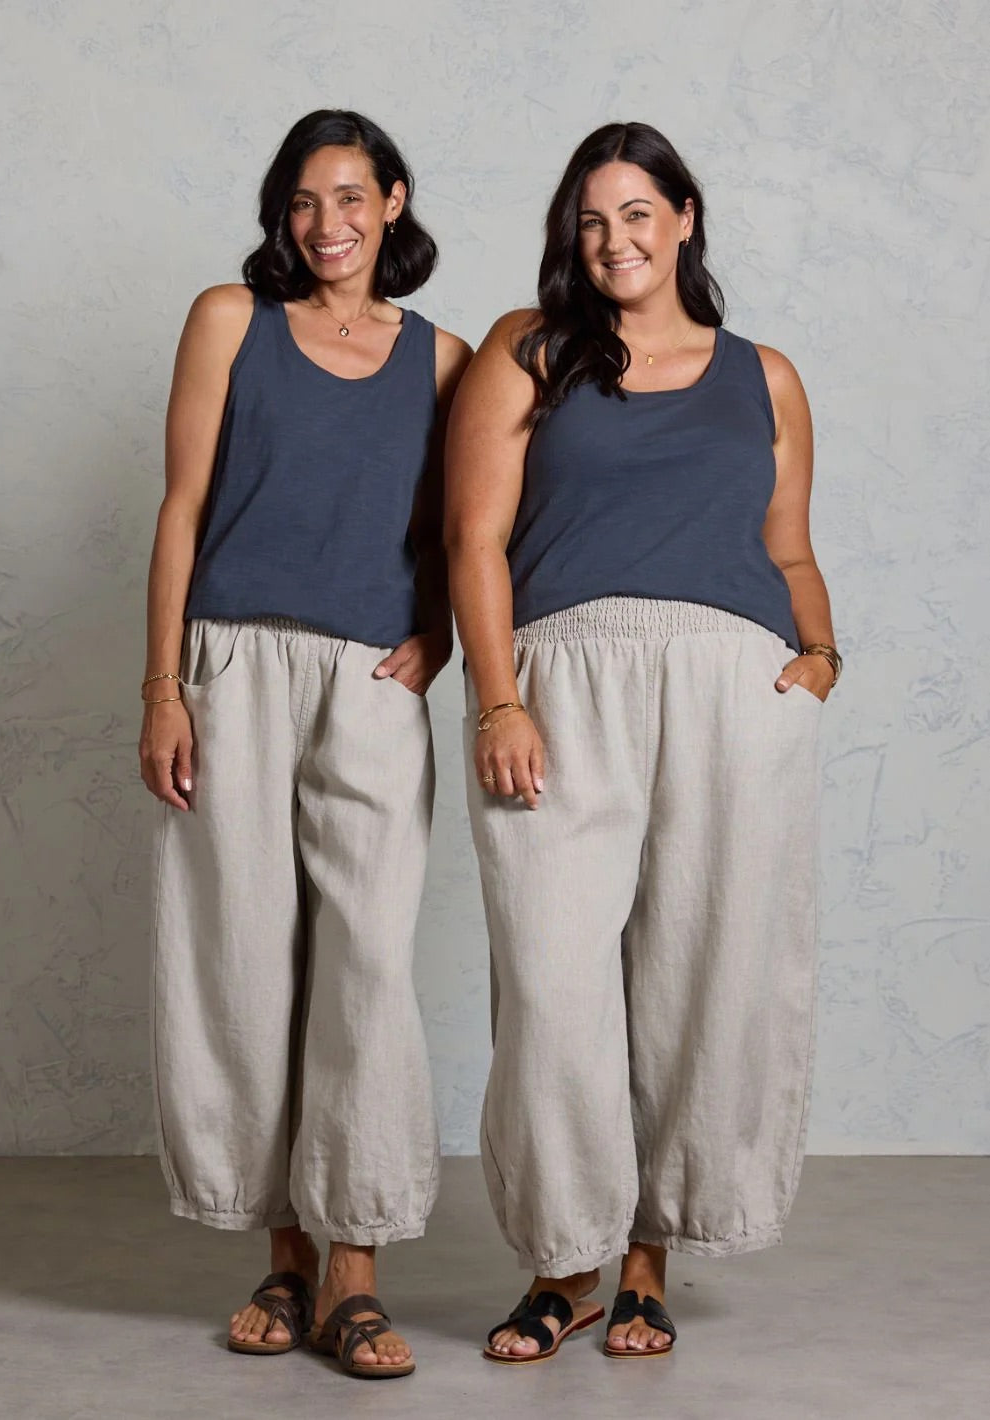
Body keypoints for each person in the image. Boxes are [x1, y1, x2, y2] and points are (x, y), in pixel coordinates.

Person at [445, 121, 840, 1365]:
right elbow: (473, 539)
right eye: (591, 219)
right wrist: (498, 700)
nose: (613, 240)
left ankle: (647, 1262)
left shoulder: (763, 374)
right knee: (556, 983)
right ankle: (562, 1262)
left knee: (700, 978)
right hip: (565, 680)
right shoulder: (530, 349)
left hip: (732, 689)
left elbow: (789, 548)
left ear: (682, 219)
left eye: (636, 214)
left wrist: (820, 660)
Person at [141, 108, 471, 1380]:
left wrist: (436, 635)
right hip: (232, 659)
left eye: (349, 197)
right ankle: (284, 1259)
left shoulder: (439, 356)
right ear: (280, 215)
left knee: (367, 966)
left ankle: (357, 1265)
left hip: (367, 677)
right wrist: (163, 685)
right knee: (243, 958)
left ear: (393, 200)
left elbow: (454, 527)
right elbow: (180, 508)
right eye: (300, 201)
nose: (325, 225)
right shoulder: (232, 320)